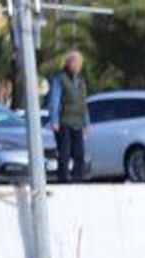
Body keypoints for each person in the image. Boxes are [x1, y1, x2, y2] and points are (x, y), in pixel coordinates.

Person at [47, 50, 90, 183]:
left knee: (79, 154)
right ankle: (63, 179)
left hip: (78, 122)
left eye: (80, 63)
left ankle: (78, 179)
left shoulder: (81, 82)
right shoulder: (60, 79)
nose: (78, 66)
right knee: (64, 153)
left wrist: (86, 124)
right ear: (68, 63)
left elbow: (83, 103)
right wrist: (54, 120)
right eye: (75, 63)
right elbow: (54, 100)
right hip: (64, 122)